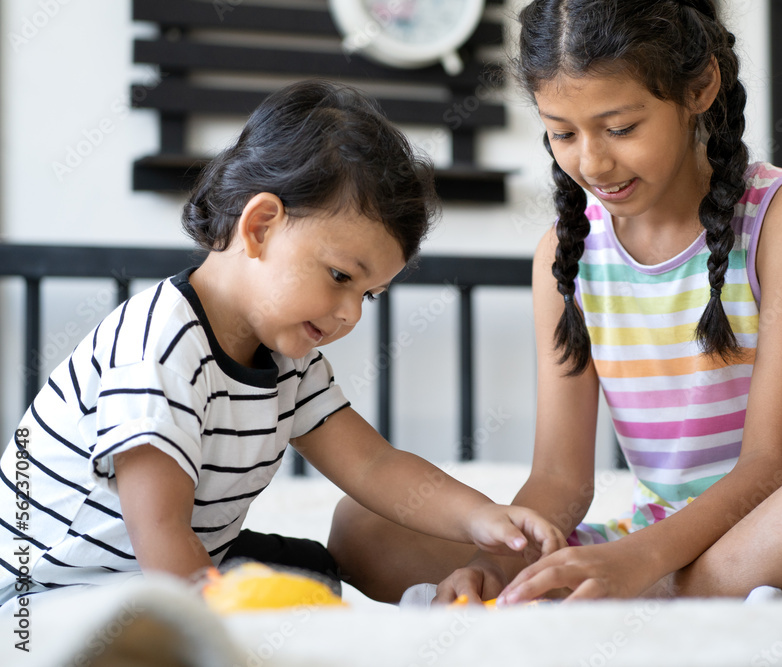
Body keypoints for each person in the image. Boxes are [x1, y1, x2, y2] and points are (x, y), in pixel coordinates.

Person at [329, 0, 782, 604]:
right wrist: (495, 568)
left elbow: (773, 465)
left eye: (621, 127)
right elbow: (559, 480)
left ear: (699, 89)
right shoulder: (565, 256)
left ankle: (662, 602)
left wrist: (638, 566)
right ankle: (665, 600)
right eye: (563, 133)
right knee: (366, 525)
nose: (594, 160)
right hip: (663, 544)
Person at [0, 80, 565, 608]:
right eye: (342, 277)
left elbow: (372, 465)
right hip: (55, 591)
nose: (349, 315)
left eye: (368, 297)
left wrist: (481, 518)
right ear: (261, 226)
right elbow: (160, 532)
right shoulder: (159, 348)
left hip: (163, 565)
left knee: (316, 579)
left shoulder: (289, 363)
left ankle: (424, 613)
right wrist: (225, 633)